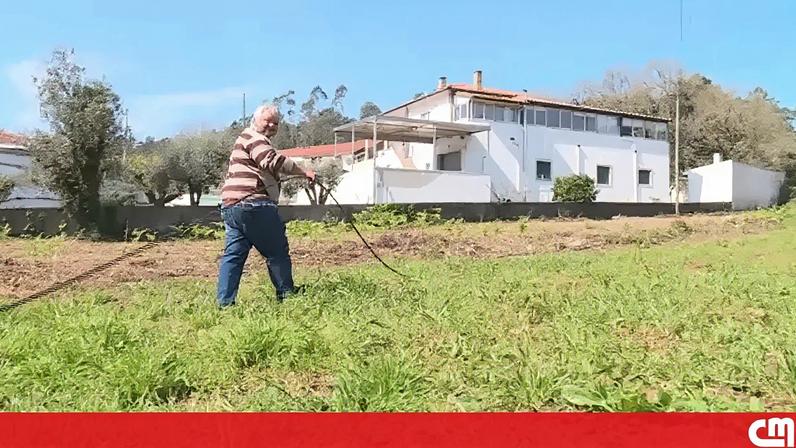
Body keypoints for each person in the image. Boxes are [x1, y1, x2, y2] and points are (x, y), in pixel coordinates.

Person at [216, 104, 315, 307]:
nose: (271, 125)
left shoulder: (244, 139)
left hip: (232, 206)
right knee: (277, 251)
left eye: (275, 123)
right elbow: (271, 161)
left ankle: (224, 303)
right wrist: (304, 171)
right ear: (255, 120)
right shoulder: (255, 138)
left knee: (233, 256)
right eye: (267, 120)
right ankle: (287, 295)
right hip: (254, 205)